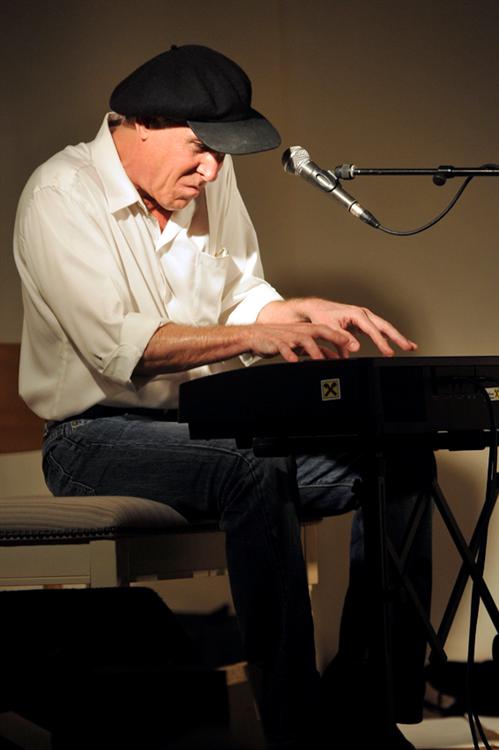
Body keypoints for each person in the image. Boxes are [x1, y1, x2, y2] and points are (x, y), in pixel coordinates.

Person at [13, 45, 434, 749]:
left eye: (221, 154)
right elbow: (121, 347)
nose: (212, 169)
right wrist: (253, 335)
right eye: (201, 148)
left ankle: (366, 707)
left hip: (201, 427)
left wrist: (297, 312)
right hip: (91, 440)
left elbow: (242, 297)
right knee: (252, 469)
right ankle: (298, 729)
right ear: (141, 125)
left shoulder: (210, 178)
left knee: (398, 459)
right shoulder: (60, 194)